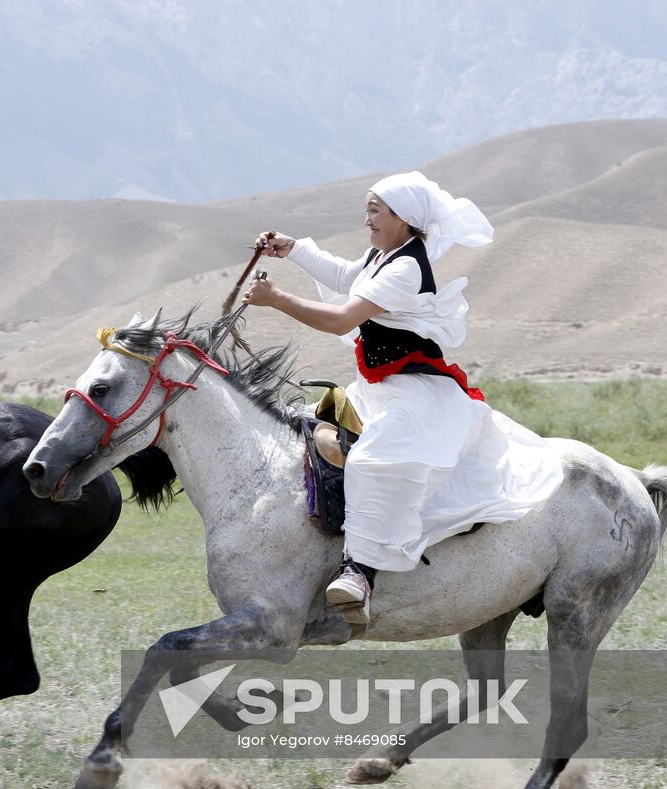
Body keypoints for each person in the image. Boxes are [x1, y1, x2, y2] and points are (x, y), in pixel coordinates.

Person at [241, 171, 563, 625]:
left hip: (414, 393)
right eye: (369, 208)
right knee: (310, 434)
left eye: (376, 209)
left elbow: (340, 319)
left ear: (403, 217)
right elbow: (344, 275)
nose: (367, 218)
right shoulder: (383, 255)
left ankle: (360, 573)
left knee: (375, 459)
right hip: (377, 388)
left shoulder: (407, 268)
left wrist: (277, 300)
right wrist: (294, 250)